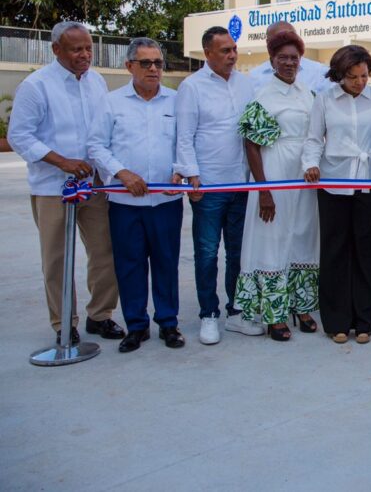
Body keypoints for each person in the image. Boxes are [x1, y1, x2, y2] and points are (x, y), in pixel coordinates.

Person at [8, 21, 124, 345]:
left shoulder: (97, 81)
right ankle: (64, 323)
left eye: (88, 48)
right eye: (76, 49)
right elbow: (19, 136)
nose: (85, 55)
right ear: (56, 49)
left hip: (95, 185)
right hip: (52, 188)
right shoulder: (36, 86)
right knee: (57, 258)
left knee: (105, 251)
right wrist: (62, 161)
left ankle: (100, 315)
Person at [87, 38, 185, 352]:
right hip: (125, 203)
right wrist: (122, 173)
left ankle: (168, 323)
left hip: (166, 201)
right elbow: (96, 146)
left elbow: (185, 142)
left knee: (166, 263)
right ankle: (136, 326)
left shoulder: (176, 101)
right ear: (129, 66)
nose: (153, 69)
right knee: (130, 265)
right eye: (146, 63)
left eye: (158, 63)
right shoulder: (111, 102)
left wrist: (181, 170)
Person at [302, 45, 371, 344]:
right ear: (339, 75)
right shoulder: (325, 100)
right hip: (333, 183)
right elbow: (314, 139)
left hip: (368, 181)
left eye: (364, 75)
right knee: (334, 252)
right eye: (353, 77)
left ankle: (364, 322)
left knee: (366, 252)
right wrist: (311, 164)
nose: (359, 82)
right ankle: (336, 322)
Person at [173, 25, 255, 344]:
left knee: (238, 253)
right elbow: (184, 136)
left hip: (241, 185)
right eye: (225, 50)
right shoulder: (192, 87)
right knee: (207, 254)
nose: (233, 55)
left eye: (234, 49)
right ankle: (209, 314)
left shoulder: (246, 84)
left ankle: (236, 313)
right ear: (207, 53)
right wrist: (191, 175)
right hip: (207, 187)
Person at [236, 29, 319, 341]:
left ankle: (302, 306)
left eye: (294, 58)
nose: (288, 63)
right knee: (273, 240)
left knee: (303, 237)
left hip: (305, 176)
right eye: (282, 57)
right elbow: (251, 145)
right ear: (271, 60)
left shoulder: (307, 93)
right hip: (275, 172)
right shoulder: (264, 95)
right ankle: (274, 314)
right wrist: (264, 191)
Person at [248, 21, 331, 94]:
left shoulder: (319, 71)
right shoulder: (255, 76)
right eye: (279, 39)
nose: (286, 41)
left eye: (291, 38)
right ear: (268, 43)